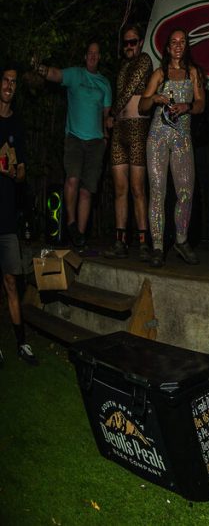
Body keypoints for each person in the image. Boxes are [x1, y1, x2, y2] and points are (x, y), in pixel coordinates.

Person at [34, 42, 111, 250]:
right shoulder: (75, 74)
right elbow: (55, 74)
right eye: (90, 53)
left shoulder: (105, 83)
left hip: (96, 143)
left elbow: (106, 115)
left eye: (96, 53)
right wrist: (39, 67)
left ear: (99, 57)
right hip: (75, 138)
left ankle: (80, 237)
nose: (93, 56)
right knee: (72, 179)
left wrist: (105, 139)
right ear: (85, 56)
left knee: (87, 190)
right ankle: (70, 222)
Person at [139, 29, 205, 267]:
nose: (178, 45)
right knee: (157, 191)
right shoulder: (160, 74)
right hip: (157, 137)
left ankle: (181, 240)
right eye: (173, 42)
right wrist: (155, 98)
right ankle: (157, 247)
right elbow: (142, 106)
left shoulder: (193, 73)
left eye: (182, 41)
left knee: (185, 191)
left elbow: (201, 104)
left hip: (182, 138)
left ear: (186, 46)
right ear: (167, 48)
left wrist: (187, 106)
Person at [103, 24, 154, 261]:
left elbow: (129, 91)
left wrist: (112, 112)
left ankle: (143, 243)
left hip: (137, 128)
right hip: (119, 132)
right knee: (120, 189)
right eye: (126, 43)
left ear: (140, 42)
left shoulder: (144, 60)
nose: (129, 46)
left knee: (137, 188)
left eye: (133, 42)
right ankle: (119, 242)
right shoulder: (122, 66)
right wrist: (113, 119)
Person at [0, 68, 36, 365]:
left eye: (13, 82)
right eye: (5, 80)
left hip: (7, 215)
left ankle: (22, 344)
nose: (9, 85)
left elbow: (22, 171)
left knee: (12, 280)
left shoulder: (18, 124)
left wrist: (14, 172)